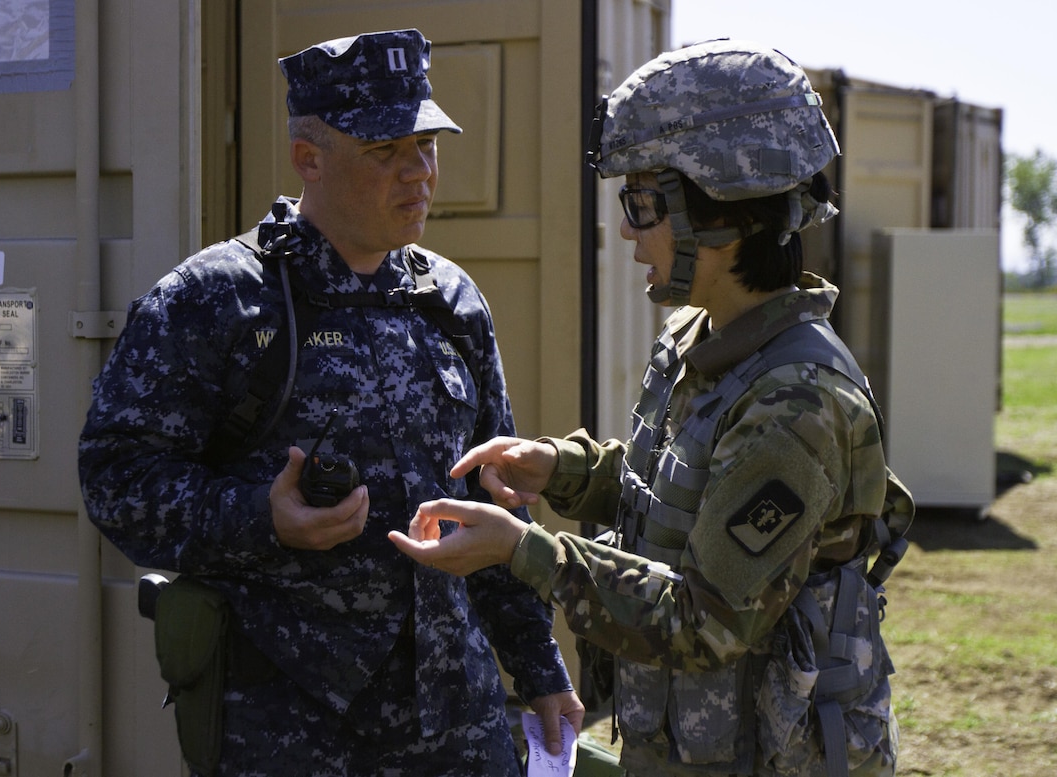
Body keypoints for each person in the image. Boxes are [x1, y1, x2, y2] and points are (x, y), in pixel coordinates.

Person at [390, 38, 915, 776]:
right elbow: (675, 490)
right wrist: (561, 468)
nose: (629, 229)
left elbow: (706, 622)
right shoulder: (702, 339)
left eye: (645, 203)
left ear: (726, 212)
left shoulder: (797, 407)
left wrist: (522, 549)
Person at [79, 28, 582, 777]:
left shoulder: (451, 301)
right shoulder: (216, 299)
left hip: (455, 718)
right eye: (385, 152)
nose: (418, 175)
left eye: (427, 146)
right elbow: (115, 477)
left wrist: (538, 666)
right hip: (292, 726)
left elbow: (495, 501)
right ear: (308, 159)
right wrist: (261, 517)